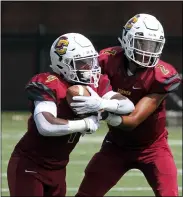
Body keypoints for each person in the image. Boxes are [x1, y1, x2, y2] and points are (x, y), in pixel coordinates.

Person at [7, 33, 135, 196]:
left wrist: (102, 103)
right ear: (62, 64)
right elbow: (46, 125)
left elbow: (127, 105)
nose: (89, 68)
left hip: (59, 168)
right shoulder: (49, 83)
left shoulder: (95, 85)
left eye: (91, 61)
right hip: (30, 165)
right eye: (82, 63)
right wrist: (85, 124)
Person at [73, 14, 181, 196]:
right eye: (142, 44)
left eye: (153, 45)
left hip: (153, 147)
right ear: (127, 40)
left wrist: (102, 111)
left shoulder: (161, 75)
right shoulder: (107, 60)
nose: (148, 51)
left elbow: (133, 120)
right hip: (116, 145)